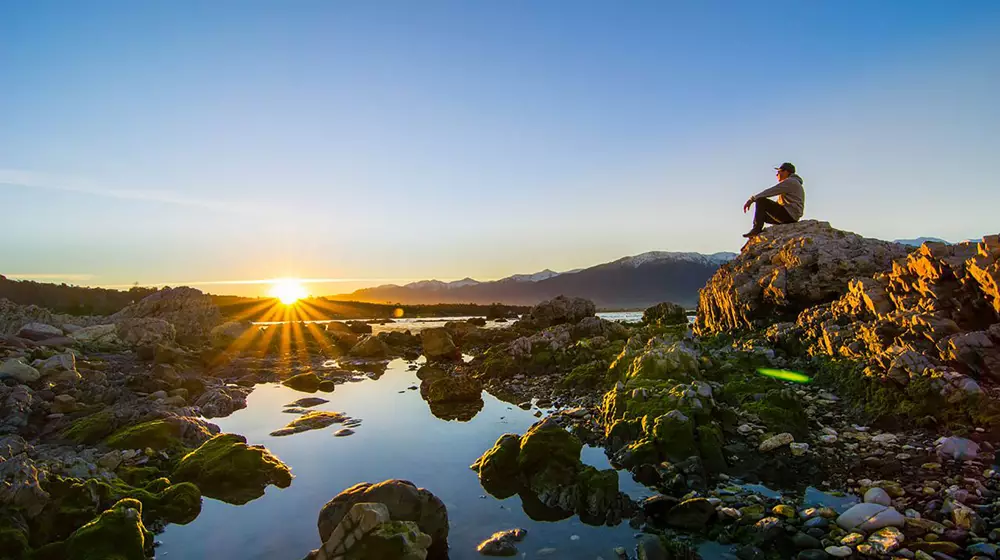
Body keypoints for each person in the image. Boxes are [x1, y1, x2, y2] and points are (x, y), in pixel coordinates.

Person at [742, 162, 805, 238]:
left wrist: (752, 199)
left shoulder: (790, 182)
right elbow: (778, 204)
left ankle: (756, 229)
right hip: (790, 216)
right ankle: (755, 232)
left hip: (789, 216)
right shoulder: (793, 183)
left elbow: (771, 191)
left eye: (779, 172)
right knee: (762, 215)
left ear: (786, 172)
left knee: (761, 201)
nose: (777, 175)